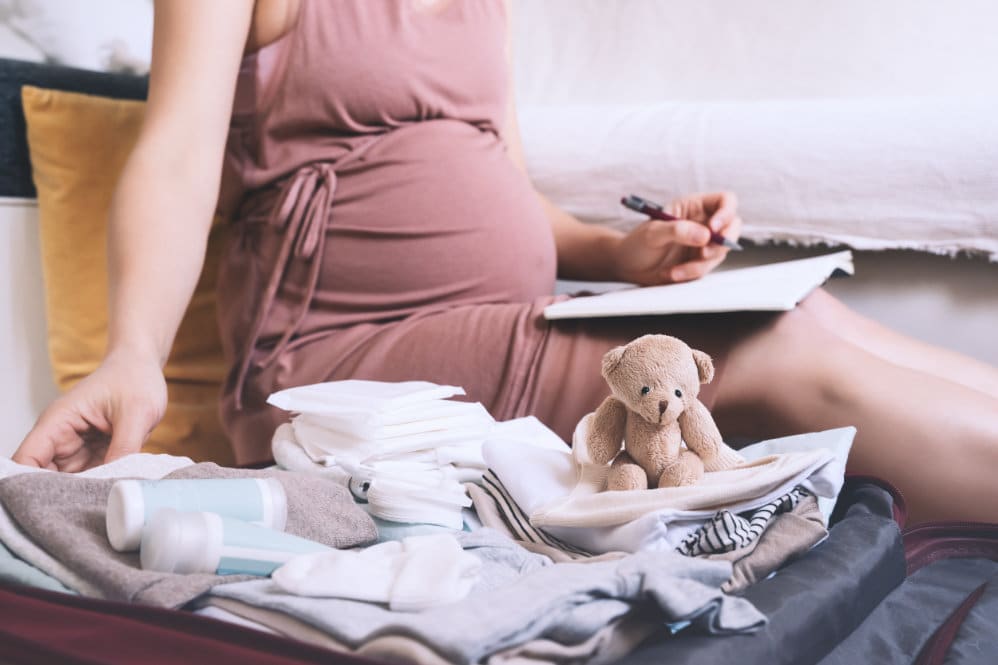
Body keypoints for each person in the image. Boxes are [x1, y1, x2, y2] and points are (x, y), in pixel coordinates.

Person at [13, 0, 998, 525]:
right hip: (337, 363)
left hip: (510, 316)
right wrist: (132, 349)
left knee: (806, 310)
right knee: (770, 350)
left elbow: (499, 180)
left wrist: (619, 252)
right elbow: (178, 153)